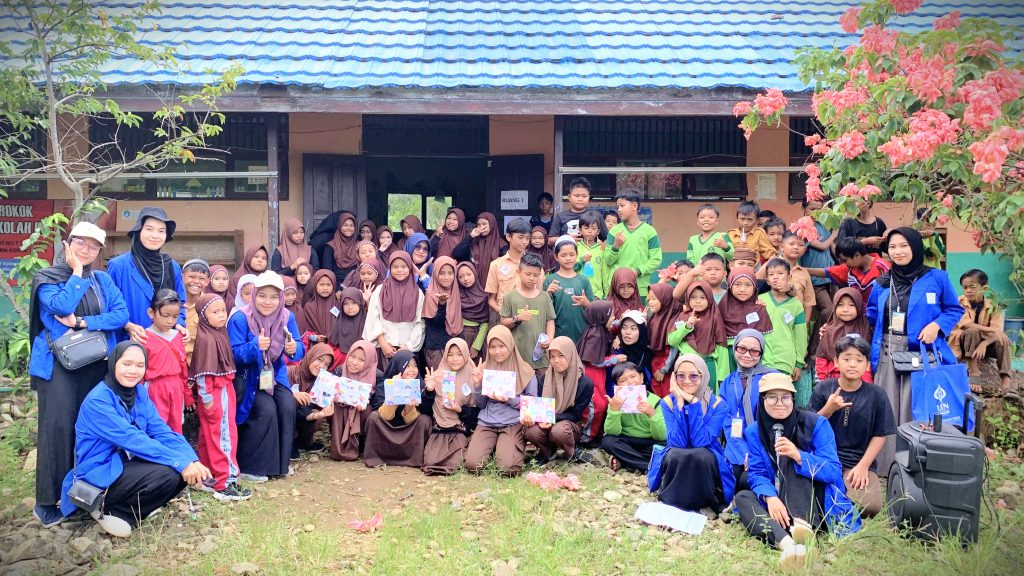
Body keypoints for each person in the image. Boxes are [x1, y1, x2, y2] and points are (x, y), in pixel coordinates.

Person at [29, 222, 129, 528]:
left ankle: (86, 494)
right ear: (68, 244)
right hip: (58, 366)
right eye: (80, 244)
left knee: (93, 429)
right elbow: (61, 305)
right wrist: (74, 272)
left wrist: (83, 322)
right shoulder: (47, 277)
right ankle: (48, 501)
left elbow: (120, 314)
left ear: (100, 251)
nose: (86, 251)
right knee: (57, 430)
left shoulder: (102, 280)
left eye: (93, 246)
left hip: (97, 362)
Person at [58, 342, 212, 537]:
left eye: (140, 365)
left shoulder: (139, 393)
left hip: (126, 463)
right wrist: (181, 463)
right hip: (99, 471)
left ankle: (132, 510)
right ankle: (108, 509)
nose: (133, 371)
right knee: (168, 472)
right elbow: (134, 439)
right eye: (127, 364)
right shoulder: (98, 401)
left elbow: (162, 432)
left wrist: (192, 460)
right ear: (114, 364)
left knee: (178, 471)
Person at [734, 373, 861, 569]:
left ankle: (803, 527)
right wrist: (770, 498)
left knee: (789, 460)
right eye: (772, 397)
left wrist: (800, 456)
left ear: (793, 399)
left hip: (813, 503)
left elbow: (834, 471)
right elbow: (757, 473)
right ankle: (787, 544)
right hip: (779, 504)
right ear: (762, 400)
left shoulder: (817, 424)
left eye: (785, 397)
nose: (779, 403)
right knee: (743, 497)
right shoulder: (754, 431)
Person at [866, 227, 964, 476]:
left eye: (903, 245)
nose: (897, 252)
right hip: (888, 353)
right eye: (892, 247)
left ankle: (918, 467)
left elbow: (953, 310)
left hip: (922, 354)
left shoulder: (937, 278)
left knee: (916, 408)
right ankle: (887, 468)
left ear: (916, 247)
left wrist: (936, 325)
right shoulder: (881, 282)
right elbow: (871, 315)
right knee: (887, 409)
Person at [228, 272, 304, 483]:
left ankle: (280, 464)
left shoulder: (287, 317)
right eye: (262, 296)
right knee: (265, 409)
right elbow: (232, 354)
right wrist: (254, 347)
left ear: (280, 298)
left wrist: (293, 348)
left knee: (287, 404)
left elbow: (299, 346)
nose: (267, 302)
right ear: (253, 296)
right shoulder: (240, 318)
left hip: (274, 373)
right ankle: (251, 465)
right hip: (248, 376)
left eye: (273, 296)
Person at [809, 336, 895, 518]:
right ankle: (832, 494)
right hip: (825, 457)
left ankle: (835, 496)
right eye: (847, 359)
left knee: (871, 506)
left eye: (859, 360)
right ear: (836, 362)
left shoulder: (877, 394)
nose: (852, 364)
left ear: (867, 365)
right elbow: (809, 428)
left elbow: (880, 435)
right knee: (807, 495)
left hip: (857, 462)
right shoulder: (823, 389)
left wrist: (863, 466)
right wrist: (828, 409)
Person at [653, 354, 733, 513]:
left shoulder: (718, 405)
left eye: (694, 376)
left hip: (707, 453)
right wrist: (680, 405)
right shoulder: (667, 402)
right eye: (680, 376)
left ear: (703, 376)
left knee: (700, 454)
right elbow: (677, 442)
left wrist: (694, 403)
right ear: (674, 377)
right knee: (675, 453)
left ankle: (706, 500)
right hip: (677, 451)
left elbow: (700, 441)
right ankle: (672, 499)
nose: (687, 381)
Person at [191, 293, 251, 501]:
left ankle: (210, 476)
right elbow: (203, 374)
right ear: (203, 315)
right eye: (214, 312)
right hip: (216, 393)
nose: (221, 315)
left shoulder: (219, 333)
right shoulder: (208, 338)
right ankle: (225, 482)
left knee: (211, 436)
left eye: (223, 310)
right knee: (223, 435)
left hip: (223, 389)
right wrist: (207, 399)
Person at [465, 326, 539, 477]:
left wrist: (510, 399)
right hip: (487, 422)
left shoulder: (525, 371)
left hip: (512, 422)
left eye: (501, 346)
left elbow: (531, 409)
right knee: (473, 465)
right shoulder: (484, 368)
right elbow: (481, 405)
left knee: (507, 469)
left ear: (510, 345)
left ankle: (503, 449)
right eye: (492, 347)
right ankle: (492, 448)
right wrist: (478, 385)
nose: (497, 351)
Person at [106, 207, 186, 343]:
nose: (155, 235)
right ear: (139, 231)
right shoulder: (119, 265)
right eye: (149, 229)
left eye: (161, 231)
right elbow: (108, 305)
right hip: (129, 343)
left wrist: (179, 324)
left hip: (165, 343)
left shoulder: (172, 266)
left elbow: (181, 302)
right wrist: (126, 325)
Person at [719, 329, 778, 491]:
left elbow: (781, 420)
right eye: (742, 349)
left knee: (749, 480)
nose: (747, 354)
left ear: (761, 353)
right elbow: (729, 423)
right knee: (728, 476)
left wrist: (754, 451)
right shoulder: (727, 382)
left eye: (754, 351)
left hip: (768, 444)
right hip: (737, 444)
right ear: (735, 348)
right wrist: (744, 450)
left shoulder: (773, 378)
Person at [523, 337, 594, 464]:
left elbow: (575, 415)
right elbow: (538, 405)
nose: (556, 361)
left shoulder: (584, 383)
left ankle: (571, 452)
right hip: (546, 421)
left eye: (561, 356)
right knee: (531, 431)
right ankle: (548, 452)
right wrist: (534, 416)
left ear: (570, 355)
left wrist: (551, 417)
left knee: (559, 430)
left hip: (570, 425)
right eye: (552, 356)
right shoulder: (545, 377)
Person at [950, 269, 1016, 398]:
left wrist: (984, 343)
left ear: (984, 287)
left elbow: (998, 331)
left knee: (1003, 340)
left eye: (972, 287)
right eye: (965, 287)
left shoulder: (994, 305)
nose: (968, 290)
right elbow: (967, 324)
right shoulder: (959, 303)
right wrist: (993, 331)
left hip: (984, 346)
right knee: (972, 331)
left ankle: (1006, 383)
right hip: (963, 344)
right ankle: (974, 372)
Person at [363, 351, 433, 467]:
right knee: (373, 417)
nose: (412, 370)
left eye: (415, 366)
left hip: (409, 431)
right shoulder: (384, 384)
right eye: (407, 366)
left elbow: (423, 413)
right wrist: (394, 390)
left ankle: (413, 458)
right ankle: (377, 457)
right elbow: (384, 416)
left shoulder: (421, 386)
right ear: (398, 366)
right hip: (387, 429)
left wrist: (410, 406)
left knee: (424, 420)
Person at [422, 339, 477, 475]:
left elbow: (477, 413)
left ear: (465, 355)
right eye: (450, 355)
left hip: (460, 430)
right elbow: (424, 410)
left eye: (459, 354)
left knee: (455, 463)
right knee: (430, 462)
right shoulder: (438, 376)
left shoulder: (474, 376)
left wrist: (460, 409)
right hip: (439, 429)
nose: (454, 359)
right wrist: (429, 390)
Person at [600, 362, 666, 473]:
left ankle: (626, 460)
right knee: (607, 441)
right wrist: (614, 410)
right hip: (627, 441)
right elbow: (612, 431)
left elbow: (661, 436)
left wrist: (652, 414)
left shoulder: (656, 401)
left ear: (641, 377)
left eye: (633, 376)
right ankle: (648, 467)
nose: (630, 382)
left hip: (650, 442)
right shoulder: (616, 401)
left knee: (668, 448)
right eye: (623, 380)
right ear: (617, 385)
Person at [364, 252, 426, 366]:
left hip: (407, 351)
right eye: (395, 267)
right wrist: (383, 344)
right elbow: (373, 317)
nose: (399, 270)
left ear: (410, 268)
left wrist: (408, 346)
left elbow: (420, 322)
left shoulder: (417, 293)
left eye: (404, 266)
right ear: (390, 269)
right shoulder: (381, 290)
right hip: (384, 349)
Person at [141, 289, 190, 433]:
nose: (170, 321)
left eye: (175, 317)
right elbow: (140, 372)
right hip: (155, 388)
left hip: (176, 387)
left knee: (176, 427)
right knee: (157, 426)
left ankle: (175, 455)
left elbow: (183, 368)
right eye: (165, 315)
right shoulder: (143, 337)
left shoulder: (178, 336)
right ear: (151, 313)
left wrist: (187, 394)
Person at [500, 254, 557, 374]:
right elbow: (503, 322)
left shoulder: (545, 297)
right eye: (528, 274)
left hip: (540, 356)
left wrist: (550, 339)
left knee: (540, 388)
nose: (532, 278)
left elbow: (550, 321)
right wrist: (517, 318)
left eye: (536, 275)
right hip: (517, 355)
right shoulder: (509, 297)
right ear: (518, 272)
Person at [666, 282, 729, 390]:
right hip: (686, 366)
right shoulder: (683, 316)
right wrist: (687, 327)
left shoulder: (714, 316)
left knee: (708, 400)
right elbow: (672, 341)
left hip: (708, 365)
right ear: (688, 299)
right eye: (693, 297)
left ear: (709, 298)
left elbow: (721, 345)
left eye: (702, 297)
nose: (698, 301)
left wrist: (722, 378)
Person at [605, 190, 663, 299]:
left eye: (622, 205)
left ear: (634, 206)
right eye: (618, 207)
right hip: (617, 288)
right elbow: (608, 260)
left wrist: (638, 271)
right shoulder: (614, 231)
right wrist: (616, 246)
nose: (619, 210)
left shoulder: (649, 231)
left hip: (639, 288)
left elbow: (656, 260)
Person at [328, 340, 380, 461]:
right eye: (352, 356)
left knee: (368, 412)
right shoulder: (339, 371)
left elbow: (379, 404)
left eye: (361, 360)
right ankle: (339, 445)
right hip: (341, 412)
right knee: (336, 408)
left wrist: (365, 403)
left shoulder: (377, 376)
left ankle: (361, 443)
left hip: (361, 415)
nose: (354, 362)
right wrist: (333, 397)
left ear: (369, 361)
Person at [759, 259, 808, 383]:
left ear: (789, 277)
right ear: (767, 281)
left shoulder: (796, 305)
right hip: (761, 359)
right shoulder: (759, 301)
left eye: (780, 273)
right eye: (771, 274)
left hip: (785, 361)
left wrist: (799, 363)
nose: (775, 277)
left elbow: (801, 337)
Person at [577, 300, 615, 445]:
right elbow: (594, 361)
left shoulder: (600, 329)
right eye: (611, 315)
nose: (613, 319)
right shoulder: (595, 335)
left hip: (599, 375)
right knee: (596, 405)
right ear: (601, 317)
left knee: (601, 402)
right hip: (591, 374)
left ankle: (595, 433)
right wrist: (613, 359)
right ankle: (586, 437)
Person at [815, 288, 873, 383]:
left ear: (858, 307)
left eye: (851, 305)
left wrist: (867, 384)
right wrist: (823, 382)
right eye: (840, 305)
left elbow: (866, 359)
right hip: (833, 381)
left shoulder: (865, 328)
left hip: (859, 382)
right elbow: (821, 358)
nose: (845, 309)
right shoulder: (828, 330)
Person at [806, 237, 891, 301]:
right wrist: (804, 270)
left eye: (845, 260)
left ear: (857, 255)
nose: (843, 264)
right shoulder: (849, 268)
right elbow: (827, 272)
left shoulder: (884, 268)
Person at [545, 236, 594, 342]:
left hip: (581, 336)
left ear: (577, 255)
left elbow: (593, 311)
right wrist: (547, 294)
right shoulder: (550, 280)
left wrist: (586, 303)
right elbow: (545, 311)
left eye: (572, 254)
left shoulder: (583, 280)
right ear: (556, 257)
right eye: (563, 255)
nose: (568, 258)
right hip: (557, 336)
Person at [799, 198, 837, 331]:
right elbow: (821, 246)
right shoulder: (803, 227)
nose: (815, 213)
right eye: (812, 209)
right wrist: (834, 234)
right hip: (814, 279)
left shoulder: (823, 225)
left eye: (819, 210)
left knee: (832, 311)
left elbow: (831, 248)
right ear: (803, 209)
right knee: (829, 310)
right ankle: (814, 347)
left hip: (829, 277)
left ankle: (819, 343)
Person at [422, 256, 464, 368]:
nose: (446, 277)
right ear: (435, 274)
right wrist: (441, 304)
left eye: (450, 273)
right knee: (439, 382)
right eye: (442, 273)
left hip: (454, 346)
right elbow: (436, 323)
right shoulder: (431, 294)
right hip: (437, 348)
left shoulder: (455, 291)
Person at [486, 218, 530, 315]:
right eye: (520, 237)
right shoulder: (496, 265)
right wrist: (503, 313)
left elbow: (539, 294)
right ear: (509, 237)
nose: (524, 242)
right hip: (502, 316)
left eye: (527, 238)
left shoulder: (534, 264)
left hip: (528, 316)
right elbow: (491, 299)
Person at [452, 212, 505, 290]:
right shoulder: (473, 242)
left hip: (494, 288)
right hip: (474, 289)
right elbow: (456, 254)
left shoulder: (501, 245)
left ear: (492, 225)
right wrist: (471, 236)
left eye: (484, 224)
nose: (481, 227)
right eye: (479, 225)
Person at [647, 283, 683, 395]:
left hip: (667, 365)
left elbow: (673, 348)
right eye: (649, 299)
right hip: (656, 362)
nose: (650, 302)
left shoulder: (674, 319)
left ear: (665, 300)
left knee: (668, 393)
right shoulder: (655, 316)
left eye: (654, 299)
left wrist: (664, 368)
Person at [548, 177, 608, 245]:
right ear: (569, 197)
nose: (580, 199)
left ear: (589, 197)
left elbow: (607, 238)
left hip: (590, 254)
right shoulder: (560, 216)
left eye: (584, 196)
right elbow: (550, 241)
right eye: (577, 196)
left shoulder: (596, 216)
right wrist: (567, 238)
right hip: (568, 254)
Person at [456, 262, 491, 359]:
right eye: (461, 276)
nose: (465, 279)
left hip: (476, 336)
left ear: (475, 274)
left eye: (468, 274)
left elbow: (485, 323)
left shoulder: (483, 296)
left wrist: (476, 346)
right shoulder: (456, 295)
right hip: (459, 335)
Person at [180, 259, 211, 363]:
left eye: (202, 278)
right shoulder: (172, 302)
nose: (196, 282)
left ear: (207, 282)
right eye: (191, 277)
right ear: (182, 277)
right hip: (175, 362)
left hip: (199, 363)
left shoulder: (210, 305)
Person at [328, 286, 367, 363]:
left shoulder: (367, 323)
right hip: (339, 363)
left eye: (354, 303)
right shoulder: (337, 323)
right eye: (345, 304)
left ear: (360, 302)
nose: (350, 307)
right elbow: (330, 347)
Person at [574, 210, 608, 299]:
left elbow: (605, 274)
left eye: (593, 228)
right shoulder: (575, 248)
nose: (590, 231)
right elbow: (571, 268)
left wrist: (606, 294)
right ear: (580, 230)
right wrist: (581, 260)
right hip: (577, 292)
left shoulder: (602, 249)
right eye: (586, 228)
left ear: (598, 231)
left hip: (597, 294)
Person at [299, 270, 339, 342]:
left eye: (328, 285)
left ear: (333, 286)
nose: (325, 288)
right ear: (315, 285)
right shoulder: (309, 307)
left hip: (335, 346)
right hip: (316, 346)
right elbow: (303, 331)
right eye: (322, 284)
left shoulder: (338, 305)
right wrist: (314, 337)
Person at [324, 212, 361, 290]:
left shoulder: (359, 246)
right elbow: (328, 271)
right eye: (345, 225)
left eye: (351, 225)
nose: (348, 228)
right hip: (336, 285)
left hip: (356, 285)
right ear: (339, 226)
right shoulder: (331, 246)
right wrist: (336, 290)